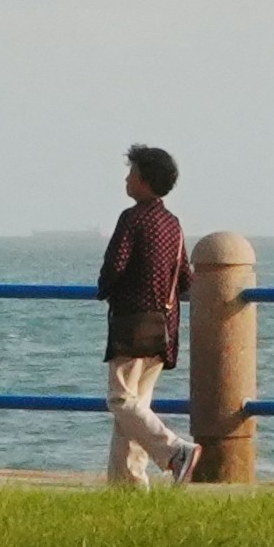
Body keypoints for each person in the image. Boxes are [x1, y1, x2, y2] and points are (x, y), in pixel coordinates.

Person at [94, 144, 197, 487]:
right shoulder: (173, 224)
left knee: (121, 400)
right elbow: (185, 279)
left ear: (145, 180)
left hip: (132, 322)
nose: (126, 178)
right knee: (136, 409)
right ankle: (128, 484)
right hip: (164, 326)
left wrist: (104, 287)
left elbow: (115, 266)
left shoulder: (133, 218)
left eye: (132, 173)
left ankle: (175, 451)